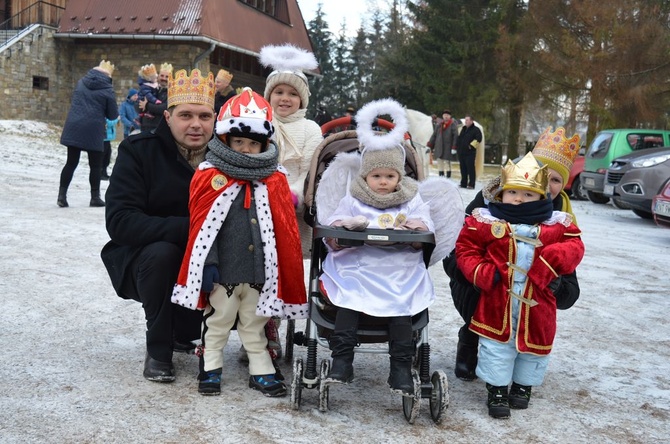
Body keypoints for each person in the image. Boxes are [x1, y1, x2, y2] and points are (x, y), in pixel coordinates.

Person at [171, 88, 308, 397]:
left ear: (264, 144)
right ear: (226, 140)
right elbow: (203, 228)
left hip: (259, 275)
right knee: (218, 322)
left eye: (252, 143)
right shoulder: (210, 175)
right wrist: (208, 264)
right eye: (239, 142)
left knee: (254, 324)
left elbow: (284, 232)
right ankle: (210, 367)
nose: (246, 149)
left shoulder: (274, 178)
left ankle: (261, 371)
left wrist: (276, 274)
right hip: (224, 273)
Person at [101, 68, 216, 383]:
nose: (196, 124)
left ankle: (248, 342)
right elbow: (120, 220)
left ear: (215, 119)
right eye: (186, 115)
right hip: (150, 261)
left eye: (205, 116)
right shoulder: (139, 151)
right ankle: (158, 349)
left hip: (210, 260)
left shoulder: (227, 158)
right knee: (162, 254)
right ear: (168, 117)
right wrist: (190, 231)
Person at [319, 100, 440, 397]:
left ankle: (400, 367)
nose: (383, 182)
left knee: (402, 301)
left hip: (398, 265)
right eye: (377, 176)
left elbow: (425, 223)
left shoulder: (411, 199)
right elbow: (332, 221)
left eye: (390, 176)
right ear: (365, 177)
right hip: (357, 263)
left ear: (400, 177)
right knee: (348, 295)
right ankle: (342, 360)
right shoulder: (353, 198)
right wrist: (348, 224)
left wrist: (415, 228)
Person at [444, 126, 582, 383]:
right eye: (543, 176)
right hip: (480, 287)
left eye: (555, 180)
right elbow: (456, 253)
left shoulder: (561, 221)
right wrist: (482, 273)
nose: (548, 187)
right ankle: (472, 337)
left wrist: (556, 285)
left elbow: (570, 291)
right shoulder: (488, 204)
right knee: (492, 294)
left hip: (531, 294)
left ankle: (522, 354)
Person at [259, 43, 323, 359]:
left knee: (283, 270)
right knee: (258, 270)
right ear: (269, 95)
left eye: (292, 93)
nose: (285, 98)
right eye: (279, 92)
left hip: (291, 209)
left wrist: (290, 193)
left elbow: (309, 168)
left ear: (302, 99)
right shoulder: (259, 122)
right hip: (256, 206)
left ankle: (275, 326)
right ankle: (259, 329)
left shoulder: (310, 129)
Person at [57, 60, 119, 208]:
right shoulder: (108, 89)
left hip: (74, 125)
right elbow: (112, 115)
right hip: (94, 128)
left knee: (71, 163)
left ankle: (61, 195)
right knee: (95, 166)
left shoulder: (80, 82)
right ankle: (95, 197)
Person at [139, 63, 172, 132]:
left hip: (160, 128)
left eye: (167, 77)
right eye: (162, 76)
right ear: (158, 76)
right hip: (145, 127)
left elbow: (164, 108)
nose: (164, 78)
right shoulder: (150, 88)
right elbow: (138, 105)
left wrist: (147, 105)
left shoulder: (172, 92)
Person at [427, 109, 458, 178]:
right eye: (444, 115)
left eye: (447, 115)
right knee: (440, 164)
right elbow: (434, 135)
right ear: (443, 116)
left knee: (447, 163)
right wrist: (429, 144)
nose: (446, 116)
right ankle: (441, 178)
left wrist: (454, 147)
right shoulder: (439, 125)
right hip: (439, 147)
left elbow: (455, 136)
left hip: (448, 147)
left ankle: (448, 178)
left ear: (450, 116)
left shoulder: (452, 125)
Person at [456, 115, 482, 189]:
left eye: (467, 120)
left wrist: (471, 146)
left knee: (470, 169)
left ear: (471, 121)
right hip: (462, 152)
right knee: (463, 168)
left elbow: (478, 139)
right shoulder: (463, 129)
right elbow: (460, 138)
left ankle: (471, 184)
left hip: (470, 153)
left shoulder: (476, 130)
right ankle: (463, 183)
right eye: (465, 120)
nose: (466, 121)